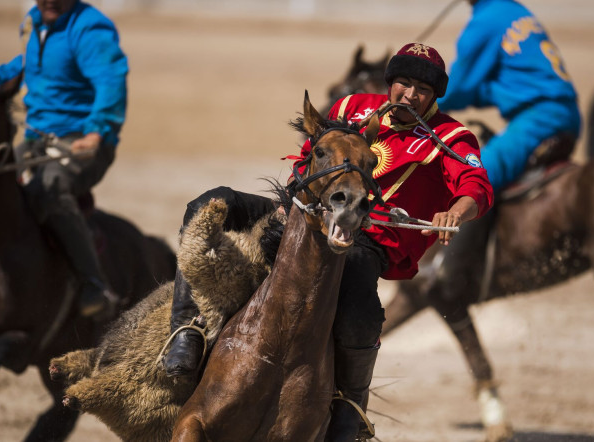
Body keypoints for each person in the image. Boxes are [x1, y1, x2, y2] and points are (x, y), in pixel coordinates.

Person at [162, 43, 493, 441]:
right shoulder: (352, 106)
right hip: (304, 212)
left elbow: (477, 185)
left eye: (423, 89)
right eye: (403, 83)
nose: (410, 95)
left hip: (369, 238)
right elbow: (310, 153)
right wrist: (288, 200)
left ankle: (351, 406)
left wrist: (456, 211)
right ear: (390, 82)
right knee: (208, 205)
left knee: (362, 312)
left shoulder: (451, 136)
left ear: (435, 95)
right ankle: (185, 332)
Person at [0, 0, 129, 317]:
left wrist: (97, 132)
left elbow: (110, 80)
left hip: (82, 142)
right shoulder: (34, 23)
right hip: (35, 140)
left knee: (49, 189)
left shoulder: (89, 27)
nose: (50, 0)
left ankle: (94, 284)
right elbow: (27, 66)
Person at [437, 0, 581, 192]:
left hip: (539, 120)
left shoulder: (486, 21)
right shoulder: (516, 10)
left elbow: (455, 90)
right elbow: (495, 86)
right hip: (568, 113)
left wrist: (420, 104)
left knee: (468, 179)